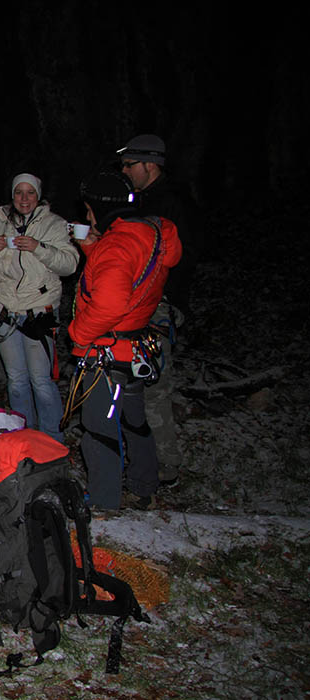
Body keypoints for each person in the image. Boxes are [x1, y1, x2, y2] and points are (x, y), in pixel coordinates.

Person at [70, 171, 182, 510]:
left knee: (99, 429)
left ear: (99, 208)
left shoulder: (118, 246)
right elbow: (125, 275)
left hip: (107, 352)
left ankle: (105, 505)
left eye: (89, 210)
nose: (87, 216)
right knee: (135, 421)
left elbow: (110, 302)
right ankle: (143, 484)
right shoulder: (151, 233)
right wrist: (94, 248)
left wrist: (78, 334)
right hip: (135, 346)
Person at [118, 134, 199, 486]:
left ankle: (167, 465)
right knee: (133, 385)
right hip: (136, 305)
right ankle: (141, 460)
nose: (124, 170)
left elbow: (178, 258)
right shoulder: (139, 199)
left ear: (150, 165)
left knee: (154, 387)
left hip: (158, 308)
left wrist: (167, 302)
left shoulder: (171, 203)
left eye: (129, 164)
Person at [0, 173, 78, 441]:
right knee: (17, 382)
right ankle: (24, 438)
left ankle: (53, 440)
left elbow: (69, 264)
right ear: (12, 195)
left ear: (38, 196)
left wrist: (38, 248)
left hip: (38, 313)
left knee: (41, 382)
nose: (24, 198)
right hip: (5, 311)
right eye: (19, 192)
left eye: (30, 193)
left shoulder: (54, 225)